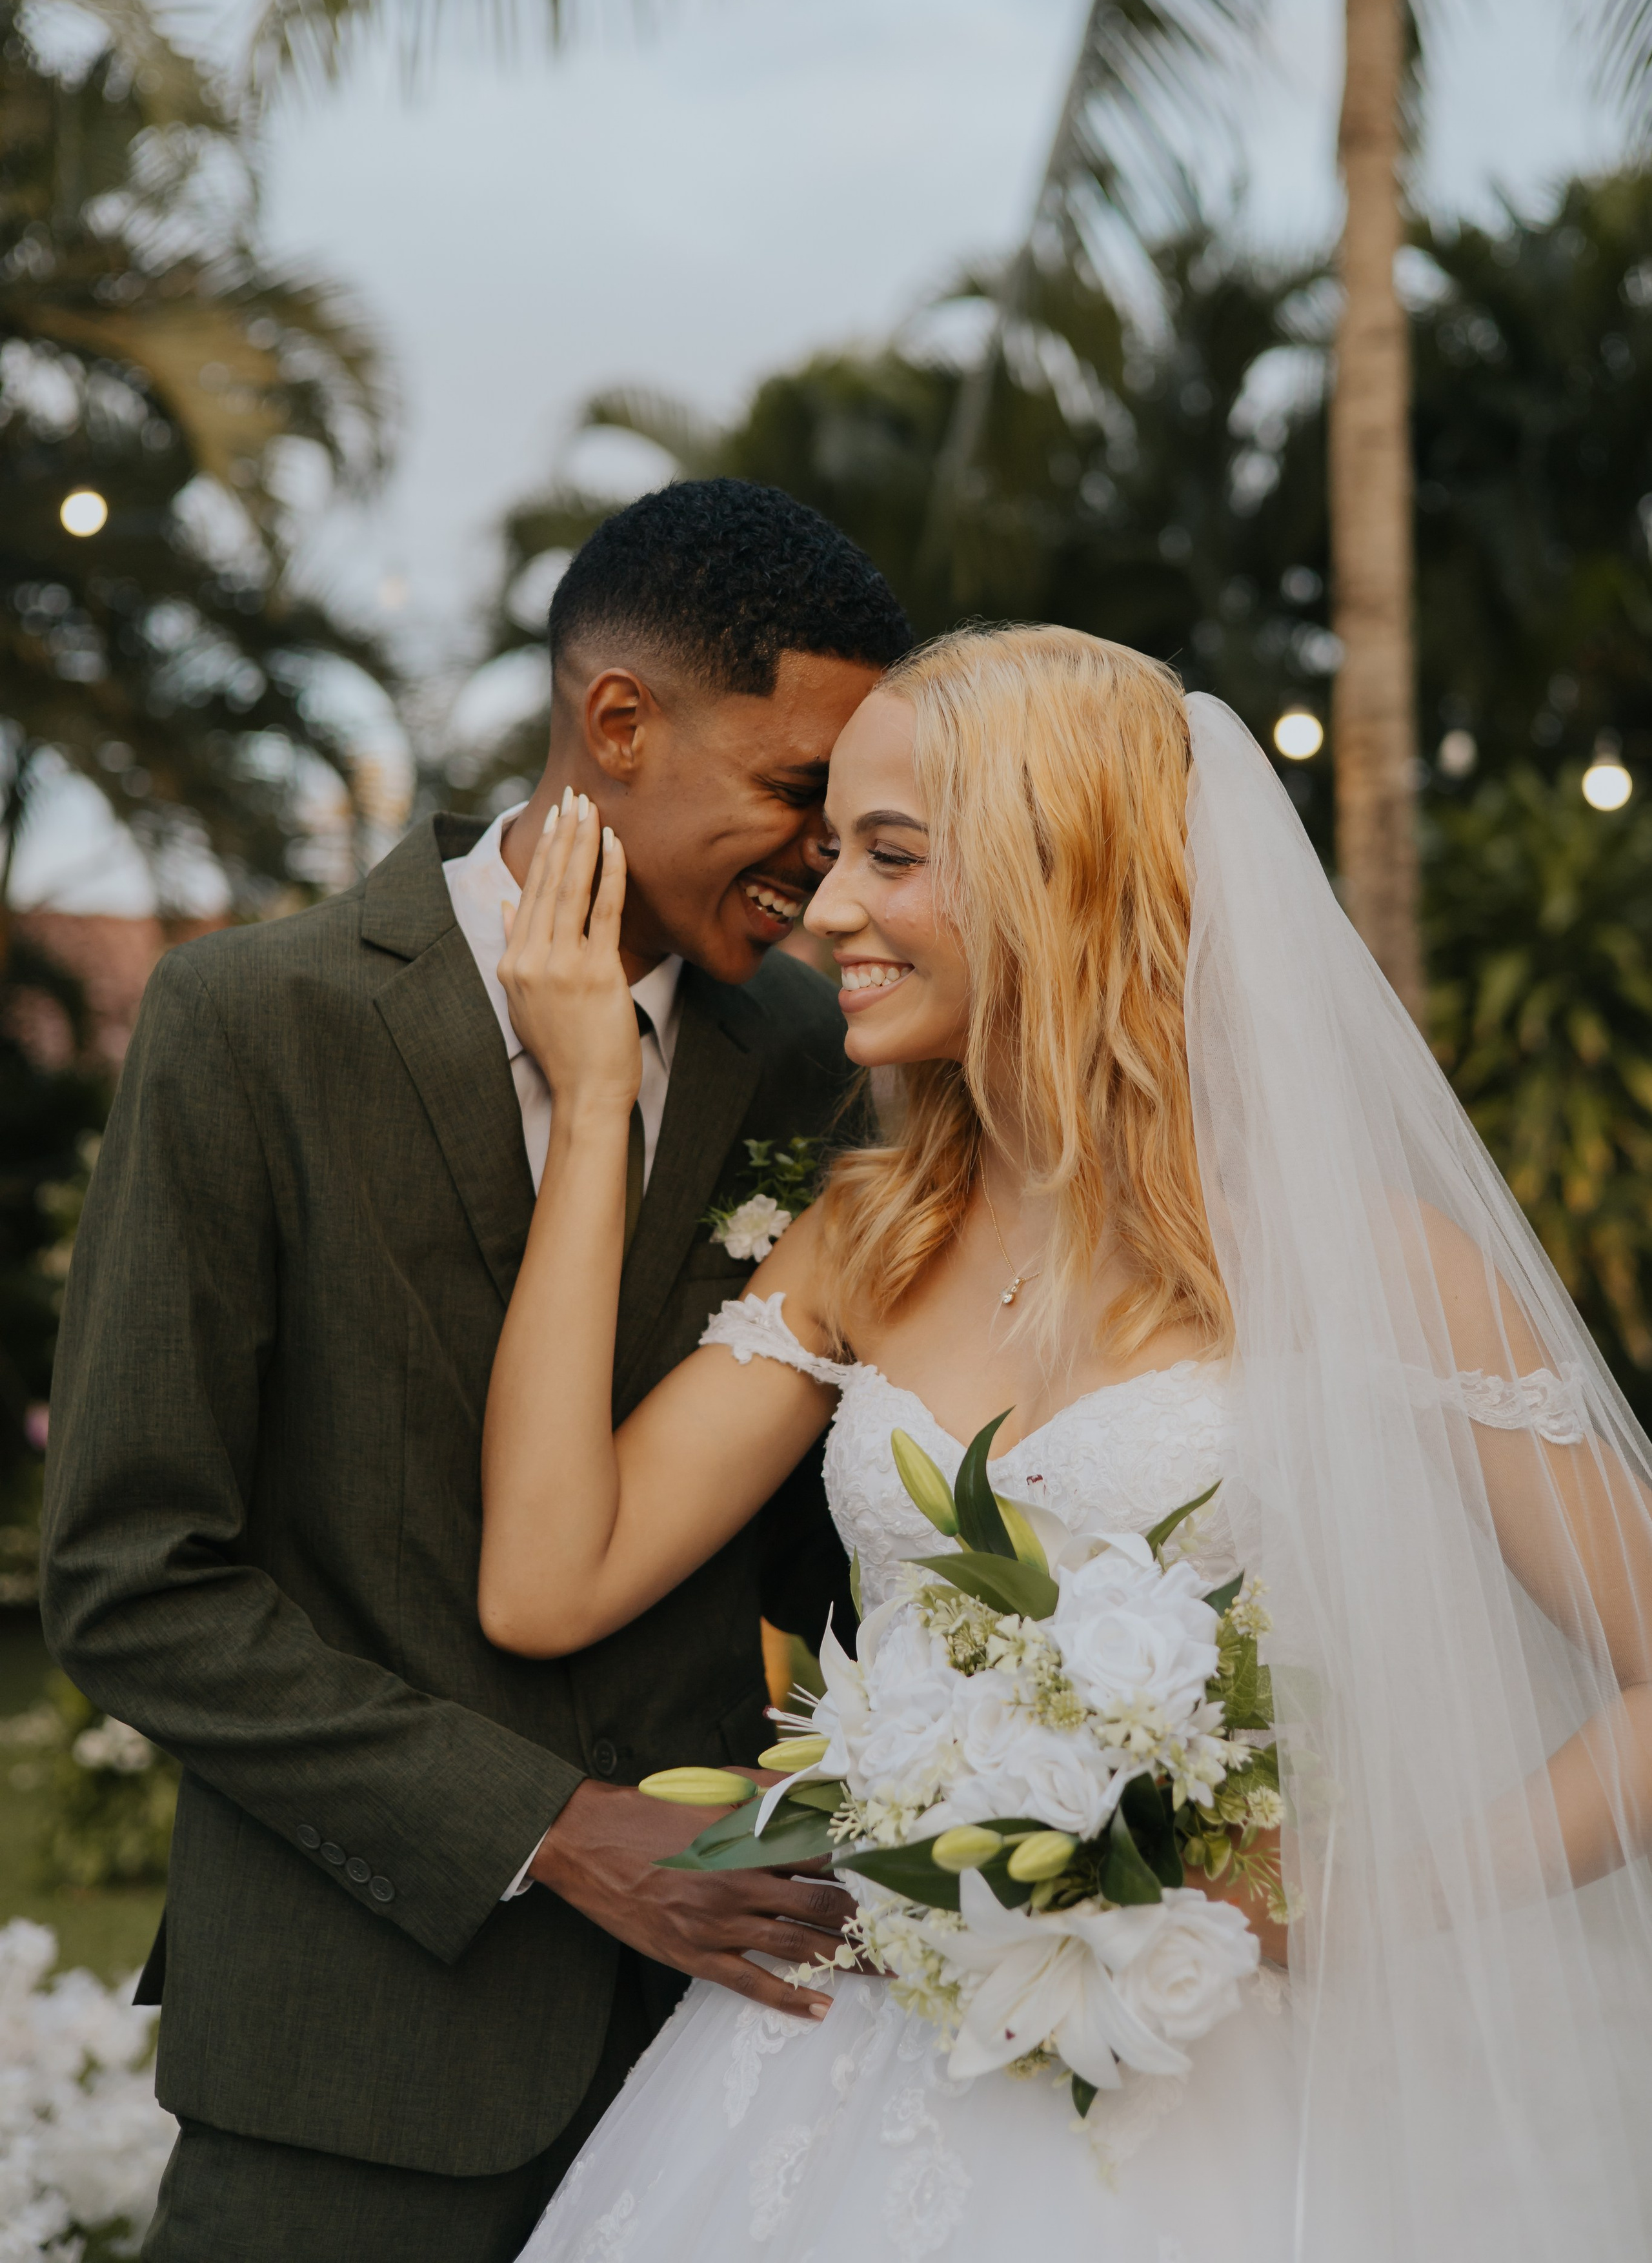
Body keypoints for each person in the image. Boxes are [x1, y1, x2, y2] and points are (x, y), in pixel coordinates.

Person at [483, 625, 1652, 2263]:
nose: (825, 913)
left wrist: (1356, 1903)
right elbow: (546, 1577)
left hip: (1220, 2099)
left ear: (1063, 876)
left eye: (889, 856)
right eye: (829, 858)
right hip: (839, 2081)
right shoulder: (863, 1241)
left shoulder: (1365, 1264)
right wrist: (593, 1105)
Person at [39, 477, 913, 2263]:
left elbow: (836, 1514)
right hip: (346, 2069)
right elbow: (132, 1581)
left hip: (728, 2056)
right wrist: (548, 1828)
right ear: (616, 725)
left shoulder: (822, 1056)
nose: (827, 863)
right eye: (796, 795)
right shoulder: (252, 1026)